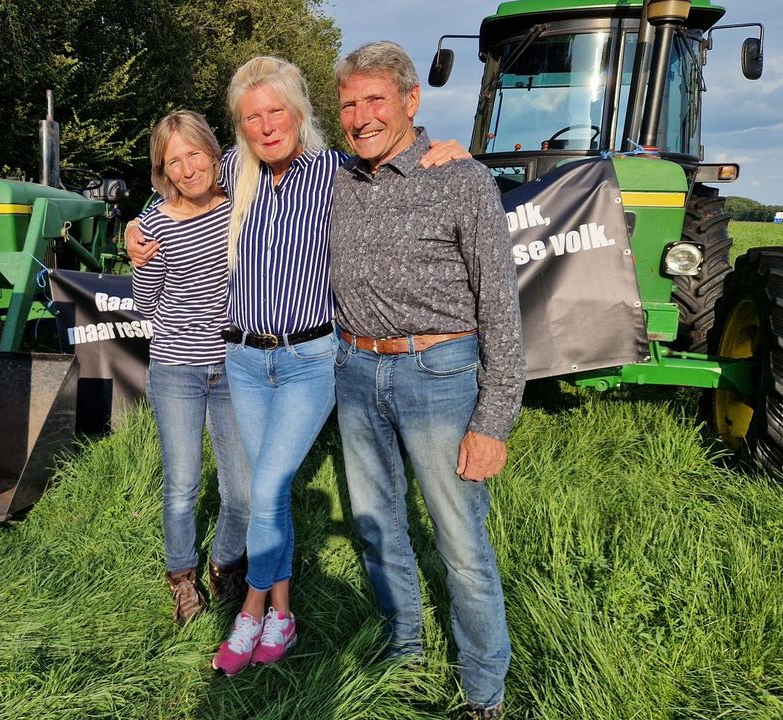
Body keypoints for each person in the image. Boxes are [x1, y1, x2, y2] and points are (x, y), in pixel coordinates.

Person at [129, 57, 468, 677]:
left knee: (262, 489)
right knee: (272, 493)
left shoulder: (335, 170)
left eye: (275, 111)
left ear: (299, 112)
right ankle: (281, 616)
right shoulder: (235, 174)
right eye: (251, 117)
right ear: (239, 128)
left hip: (309, 358)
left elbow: (395, 161)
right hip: (242, 359)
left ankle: (250, 609)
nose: (265, 126)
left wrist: (447, 153)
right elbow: (180, 184)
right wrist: (135, 226)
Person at [328, 41, 524, 720]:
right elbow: (253, 162)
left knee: (461, 543)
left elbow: (500, 307)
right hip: (355, 371)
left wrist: (493, 421)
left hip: (439, 375)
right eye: (348, 104)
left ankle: (483, 692)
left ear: (411, 100)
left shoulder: (462, 180)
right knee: (377, 527)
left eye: (375, 100)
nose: (361, 116)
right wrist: (147, 226)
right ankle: (403, 651)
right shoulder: (336, 180)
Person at [132, 110, 251, 624]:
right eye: (173, 161)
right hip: (176, 369)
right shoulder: (154, 223)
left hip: (234, 366)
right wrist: (141, 264)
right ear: (162, 171)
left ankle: (225, 564)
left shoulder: (244, 207)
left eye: (194, 154)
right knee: (182, 484)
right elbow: (145, 304)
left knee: (241, 489)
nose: (187, 168)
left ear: (213, 152)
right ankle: (182, 576)